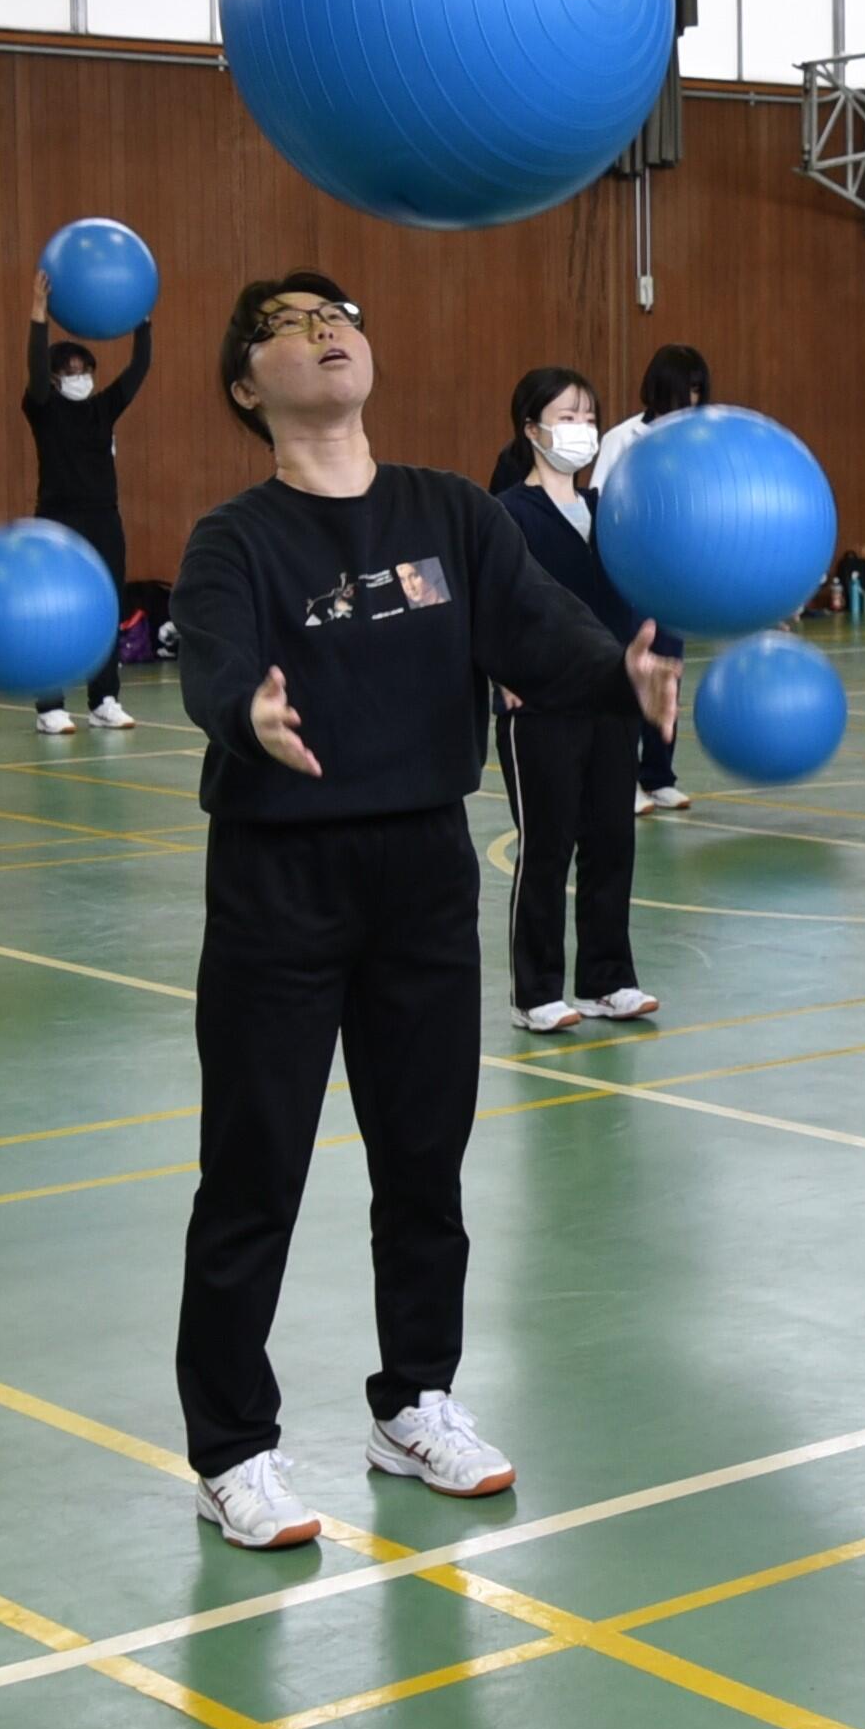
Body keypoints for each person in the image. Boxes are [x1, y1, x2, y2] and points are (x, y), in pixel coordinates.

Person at [171, 276, 679, 1550]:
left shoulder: (449, 512)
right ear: (246, 382)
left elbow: (543, 637)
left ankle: (414, 1402)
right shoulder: (236, 536)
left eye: (338, 306)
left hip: (421, 867)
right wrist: (251, 714)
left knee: (423, 1159)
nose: (325, 325)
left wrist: (623, 671)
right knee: (255, 1171)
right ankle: (233, 1448)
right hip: (278, 879)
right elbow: (216, 659)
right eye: (287, 320)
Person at [489, 366, 658, 1028]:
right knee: (548, 844)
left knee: (611, 839)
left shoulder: (608, 513)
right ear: (531, 427)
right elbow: (485, 606)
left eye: (589, 417)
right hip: (542, 704)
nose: (581, 429)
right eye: (567, 416)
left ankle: (608, 979)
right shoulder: (505, 514)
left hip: (613, 698)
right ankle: (534, 993)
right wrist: (498, 674)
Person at [20, 271, 154, 733]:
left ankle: (104, 699)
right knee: (55, 613)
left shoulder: (102, 408)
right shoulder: (43, 408)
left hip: (104, 520)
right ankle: (49, 706)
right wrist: (39, 315)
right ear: (56, 378)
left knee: (107, 609)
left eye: (85, 370)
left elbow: (138, 370)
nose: (80, 377)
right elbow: (36, 367)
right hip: (58, 522)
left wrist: (143, 322)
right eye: (70, 371)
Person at [592, 344, 708, 813]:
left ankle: (659, 774)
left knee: (669, 679)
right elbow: (599, 503)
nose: (694, 400)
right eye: (688, 389)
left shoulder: (702, 442)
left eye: (701, 390)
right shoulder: (623, 438)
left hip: (674, 583)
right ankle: (624, 779)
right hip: (629, 579)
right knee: (630, 678)